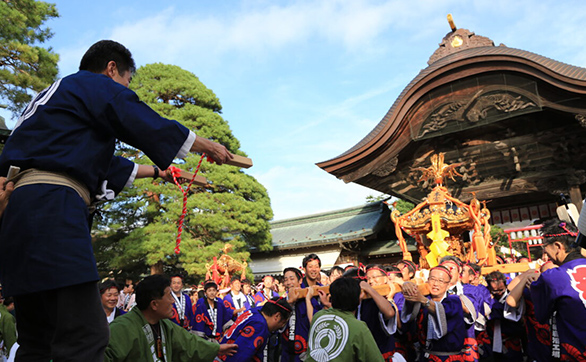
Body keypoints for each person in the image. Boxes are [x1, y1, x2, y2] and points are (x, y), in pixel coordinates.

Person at [0, 39, 234, 360]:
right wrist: (206, 145)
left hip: (18, 213)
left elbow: (103, 164)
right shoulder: (92, 83)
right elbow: (136, 116)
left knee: (38, 339)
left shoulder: (50, 104)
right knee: (86, 336)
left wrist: (158, 172)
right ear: (111, 69)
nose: (125, 89)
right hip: (53, 208)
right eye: (126, 82)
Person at [104, 275, 237, 361]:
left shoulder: (165, 325)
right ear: (154, 304)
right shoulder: (122, 328)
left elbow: (190, 343)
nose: (172, 301)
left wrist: (217, 348)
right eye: (169, 296)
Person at [529, 219, 586, 360]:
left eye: (545, 248)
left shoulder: (552, 277)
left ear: (558, 246)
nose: (545, 255)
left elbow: (541, 316)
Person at [401, 265, 471, 361]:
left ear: (448, 285)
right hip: (425, 356)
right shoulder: (424, 299)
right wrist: (407, 286)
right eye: (433, 279)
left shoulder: (454, 301)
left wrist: (423, 300)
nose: (435, 284)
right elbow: (409, 314)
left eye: (441, 281)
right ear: (427, 280)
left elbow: (443, 311)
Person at [306, 277, 384, 362]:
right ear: (359, 299)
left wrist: (308, 299)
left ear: (331, 297)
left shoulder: (319, 316)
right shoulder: (358, 327)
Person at [216, 297, 292, 362]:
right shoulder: (259, 326)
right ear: (277, 316)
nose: (282, 326)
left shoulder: (255, 311)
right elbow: (241, 356)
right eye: (283, 322)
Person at [361, 265, 399, 361]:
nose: (370, 281)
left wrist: (370, 289)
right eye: (368, 278)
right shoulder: (365, 298)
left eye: (374, 277)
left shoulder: (393, 295)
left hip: (384, 350)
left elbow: (389, 313)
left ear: (385, 278)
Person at [281, 267, 317, 362]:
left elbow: (315, 322)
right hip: (286, 351)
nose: (288, 283)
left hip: (304, 351)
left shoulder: (310, 300)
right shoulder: (282, 302)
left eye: (292, 279)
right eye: (286, 280)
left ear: (300, 280)